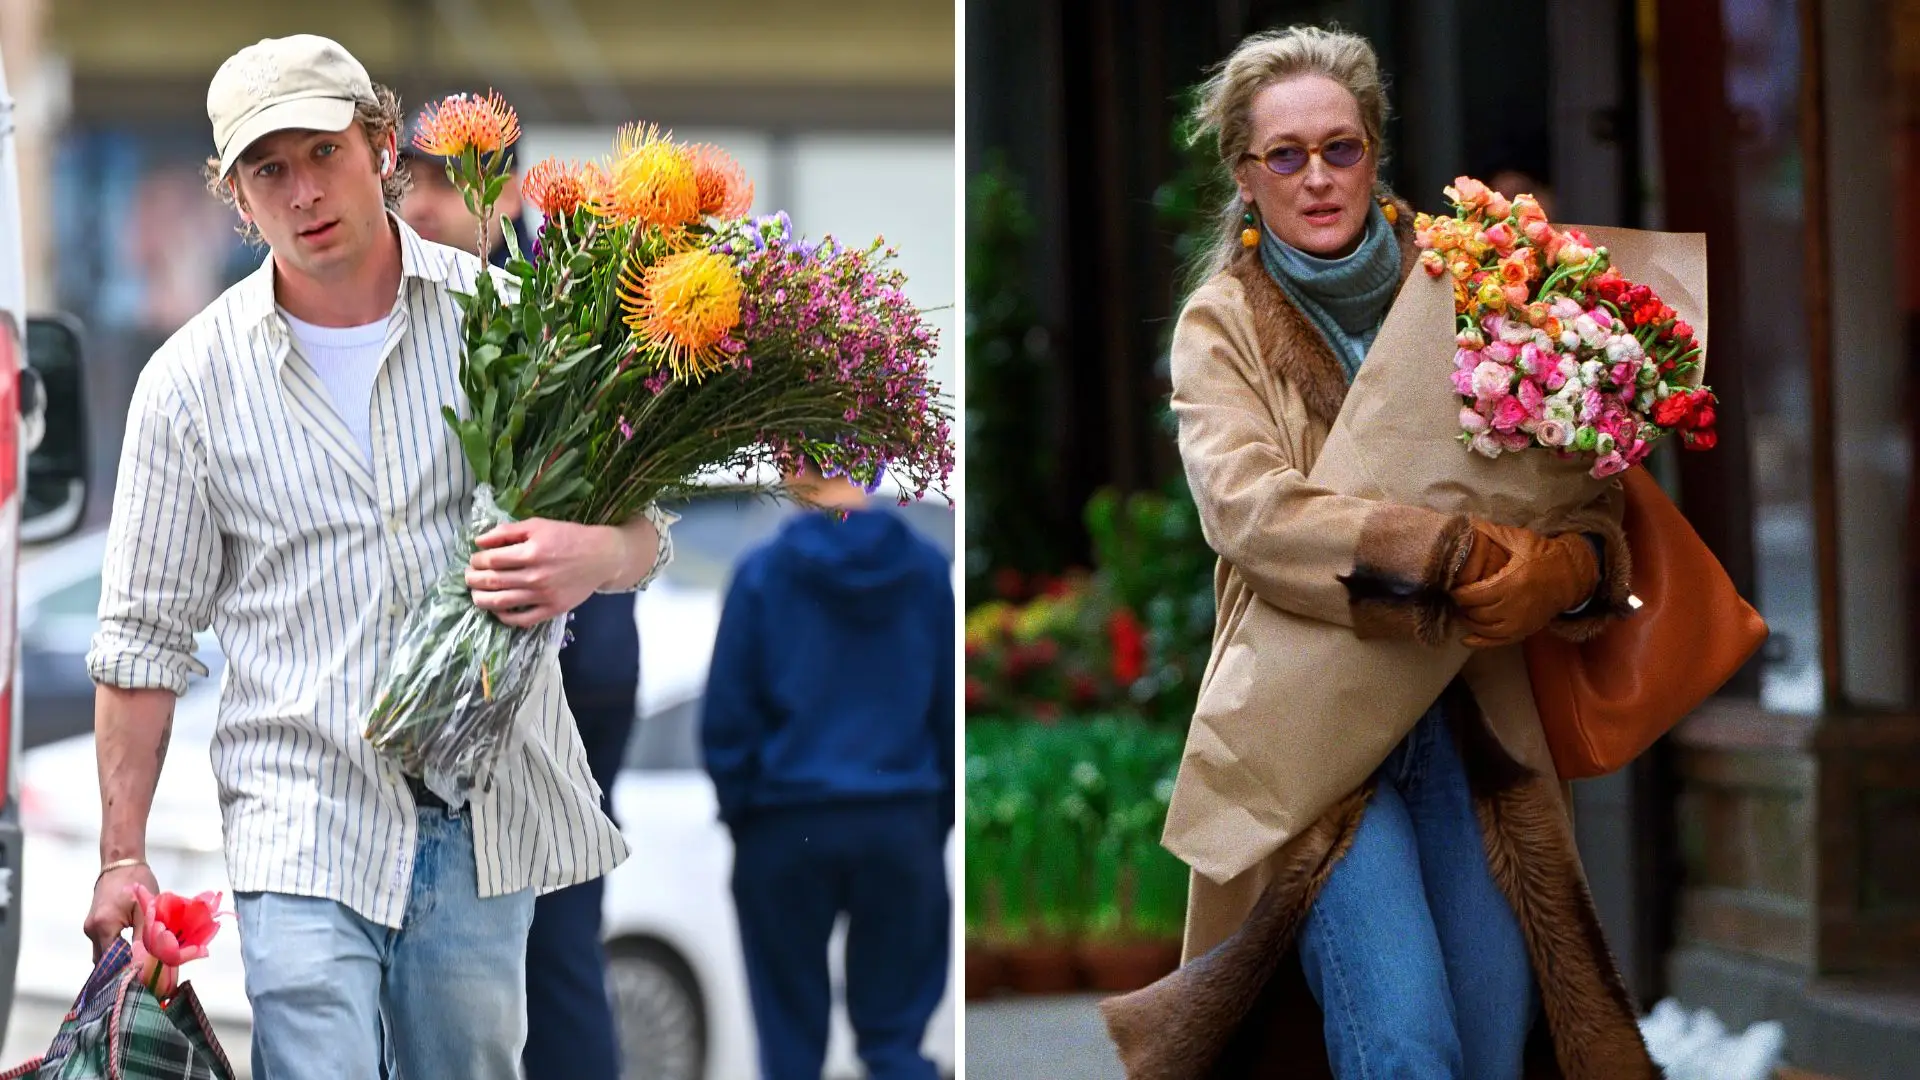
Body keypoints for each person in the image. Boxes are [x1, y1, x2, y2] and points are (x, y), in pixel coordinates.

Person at [82, 34, 674, 1080]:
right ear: (235, 197)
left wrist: (591, 555)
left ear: (382, 146)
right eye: (269, 170)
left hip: (483, 811)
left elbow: (646, 533)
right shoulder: (187, 386)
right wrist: (121, 855)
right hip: (301, 813)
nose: (303, 191)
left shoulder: (510, 322)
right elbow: (142, 642)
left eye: (323, 152)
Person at [1102, 26, 1656, 1080]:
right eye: (1287, 155)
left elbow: (1591, 505)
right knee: (1405, 1048)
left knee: (1496, 1051)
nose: (1318, 177)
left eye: (1341, 148)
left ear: (1376, 151)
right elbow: (1254, 515)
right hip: (1317, 743)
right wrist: (1448, 554)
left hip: (1476, 731)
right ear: (1245, 175)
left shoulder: (1483, 289)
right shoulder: (1223, 326)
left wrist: (1565, 574)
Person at [399, 108, 641, 1080]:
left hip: (557, 658)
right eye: (404, 183)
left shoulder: (546, 313)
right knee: (548, 933)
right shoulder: (573, 296)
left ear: (499, 194)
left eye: (437, 184)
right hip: (573, 650)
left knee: (537, 935)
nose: (413, 206)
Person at [700, 459, 954, 1080]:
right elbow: (947, 713)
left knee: (790, 1048)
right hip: (900, 822)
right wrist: (929, 818)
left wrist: (749, 816)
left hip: (785, 827)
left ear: (791, 464)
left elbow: (725, 723)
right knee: (896, 1046)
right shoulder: (927, 571)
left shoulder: (761, 575)